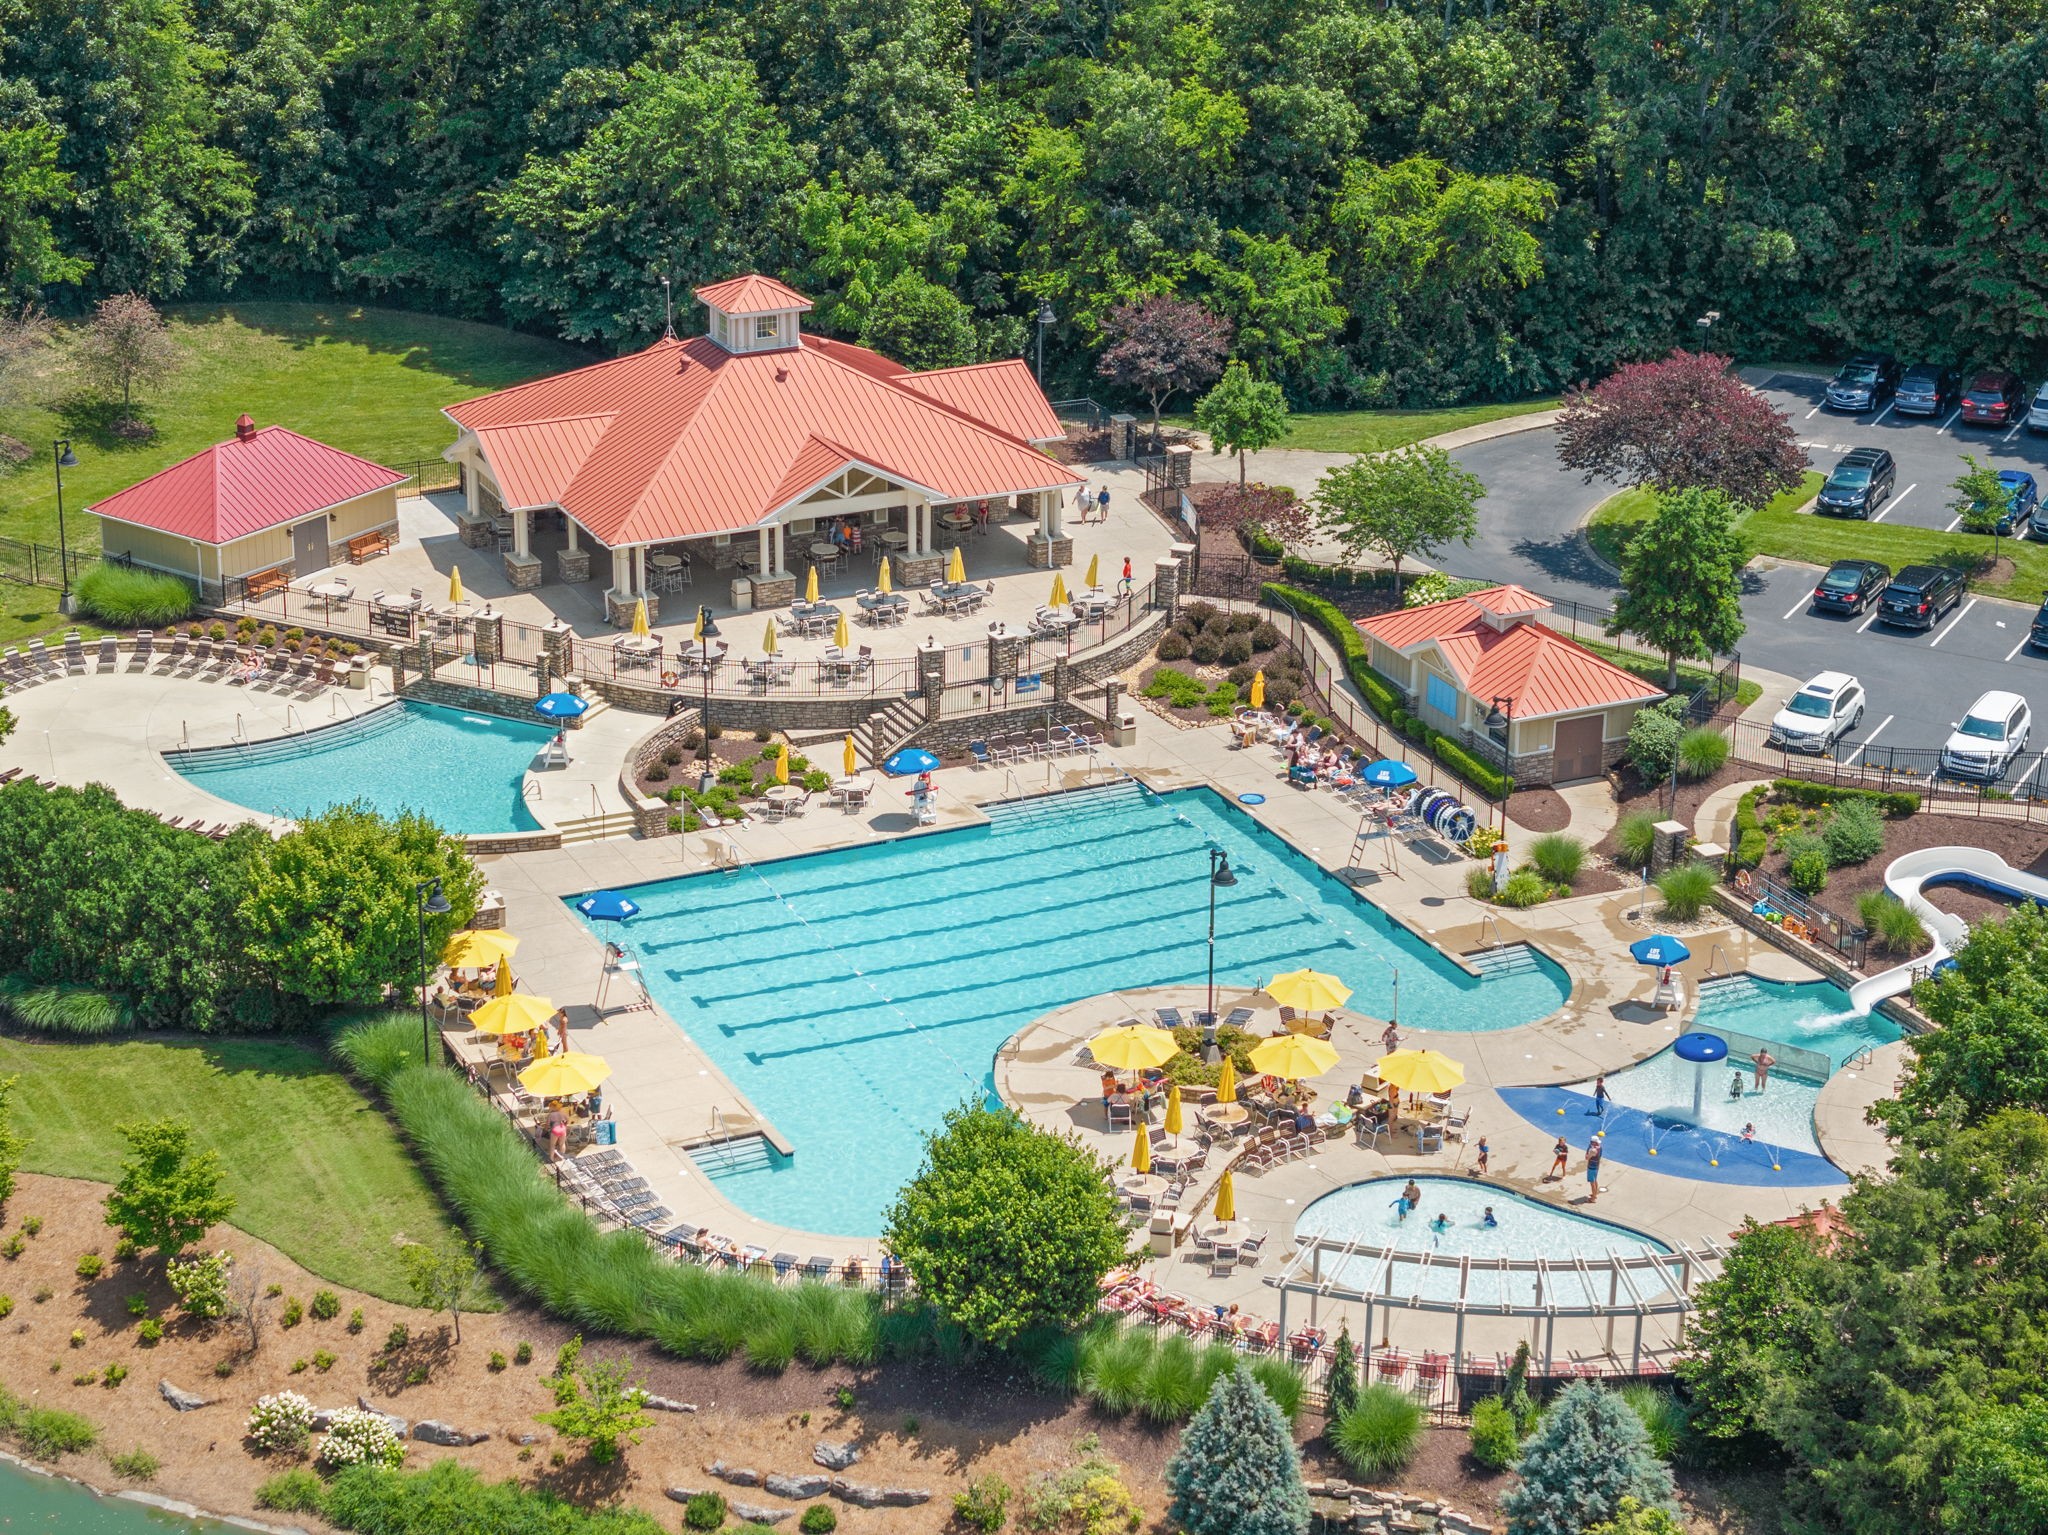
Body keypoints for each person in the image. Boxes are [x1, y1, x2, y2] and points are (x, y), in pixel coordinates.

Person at [1585, 1134, 1605, 1202]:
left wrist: (1589, 1150)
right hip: (1596, 1166)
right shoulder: (1600, 1148)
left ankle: (1593, 1198)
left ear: (1593, 1142)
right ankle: (1594, 1194)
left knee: (1592, 1182)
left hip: (1592, 1167)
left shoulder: (1593, 1150)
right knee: (1595, 1180)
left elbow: (1587, 1158)